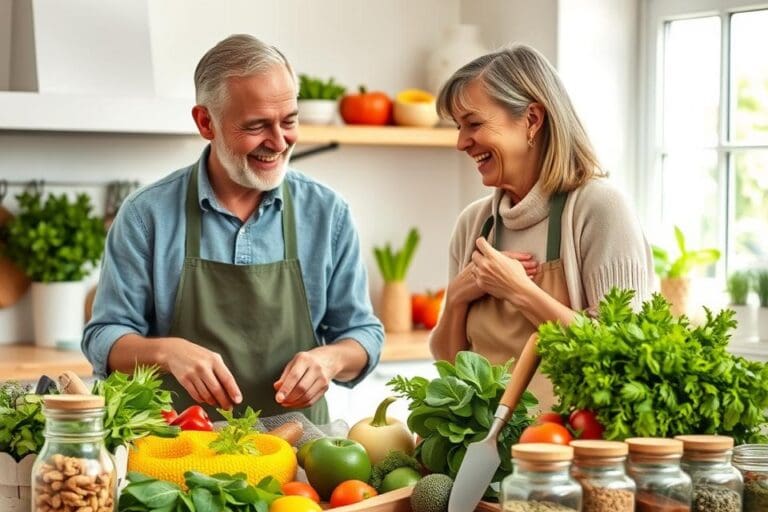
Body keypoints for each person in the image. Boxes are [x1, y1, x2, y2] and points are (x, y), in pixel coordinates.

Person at [82, 34, 384, 423]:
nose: (278, 142)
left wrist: (329, 359)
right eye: (257, 125)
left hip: (299, 458)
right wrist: (166, 352)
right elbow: (103, 337)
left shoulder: (328, 213)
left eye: (289, 121)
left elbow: (363, 333)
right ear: (206, 122)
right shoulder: (147, 215)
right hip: (177, 455)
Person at [429, 44, 653, 410]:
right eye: (458, 127)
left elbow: (624, 358)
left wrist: (518, 290)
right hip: (483, 453)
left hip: (568, 454)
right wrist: (456, 299)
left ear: (532, 119)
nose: (460, 143)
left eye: (473, 123)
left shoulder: (600, 208)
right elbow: (451, 371)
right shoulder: (475, 224)